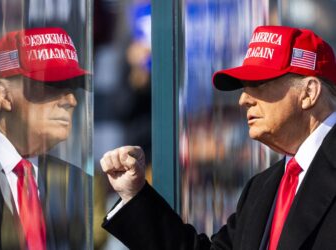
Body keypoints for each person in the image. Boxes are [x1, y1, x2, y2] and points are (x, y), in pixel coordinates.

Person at [100, 25, 336, 249]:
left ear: (308, 92)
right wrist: (134, 194)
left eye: (259, 84)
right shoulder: (262, 188)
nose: (243, 99)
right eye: (244, 88)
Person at [0, 27, 91, 250]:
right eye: (52, 84)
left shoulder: (76, 183)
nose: (71, 100)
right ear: (3, 95)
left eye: (73, 87)